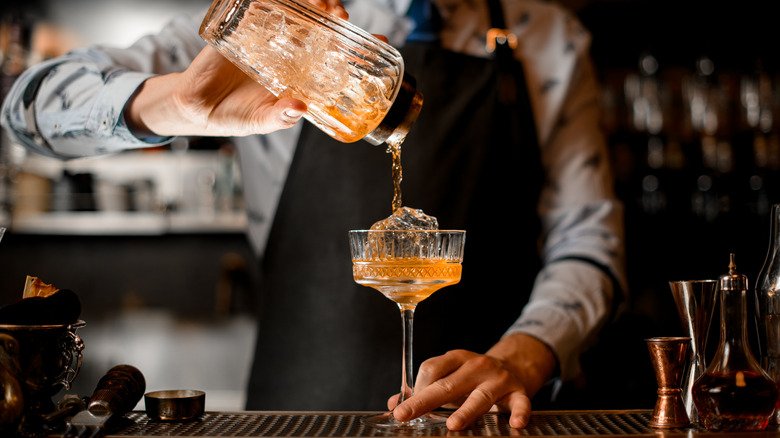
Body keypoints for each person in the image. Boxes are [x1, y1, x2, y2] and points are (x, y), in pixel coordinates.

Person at [1, 0, 626, 431]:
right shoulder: (273, 26)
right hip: (298, 417)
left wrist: (528, 352)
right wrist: (180, 106)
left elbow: (589, 245)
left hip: (487, 421)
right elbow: (24, 109)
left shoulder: (549, 37)